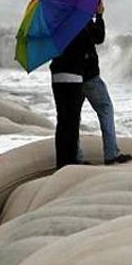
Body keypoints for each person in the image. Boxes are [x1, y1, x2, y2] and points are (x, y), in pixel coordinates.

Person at [80, 0, 132, 165]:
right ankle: (111, 153)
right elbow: (99, 37)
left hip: (71, 76)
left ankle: (76, 156)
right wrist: (99, 16)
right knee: (105, 109)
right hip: (89, 75)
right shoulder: (81, 18)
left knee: (73, 116)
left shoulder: (64, 20)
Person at [50, 26, 88, 168]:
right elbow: (98, 38)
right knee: (73, 122)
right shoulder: (79, 26)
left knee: (62, 121)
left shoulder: (55, 28)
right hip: (74, 78)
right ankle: (71, 161)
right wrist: (99, 16)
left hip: (57, 78)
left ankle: (61, 161)